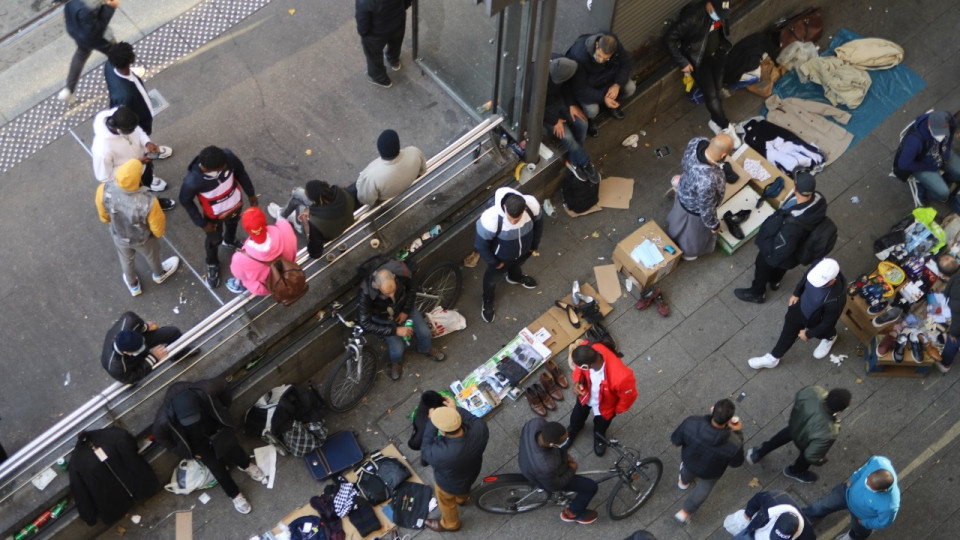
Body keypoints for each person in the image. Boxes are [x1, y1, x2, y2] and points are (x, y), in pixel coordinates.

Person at [152, 378, 267, 514]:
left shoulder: (205, 390)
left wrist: (224, 408)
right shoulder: (164, 419)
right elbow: (160, 437)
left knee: (234, 449)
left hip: (216, 428)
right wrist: (184, 452)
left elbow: (224, 386)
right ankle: (235, 495)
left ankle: (246, 465)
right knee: (217, 469)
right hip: (197, 443)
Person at [734, 172, 828, 303]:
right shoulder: (819, 199)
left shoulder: (793, 223)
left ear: (795, 189)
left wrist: (768, 253)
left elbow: (782, 249)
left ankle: (757, 293)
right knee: (782, 266)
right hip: (796, 250)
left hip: (780, 249)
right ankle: (775, 281)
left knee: (763, 265)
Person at [95, 158, 179, 296]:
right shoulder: (148, 200)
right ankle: (159, 274)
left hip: (119, 236)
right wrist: (156, 234)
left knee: (126, 260)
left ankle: (133, 285)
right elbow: (158, 227)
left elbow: (103, 215)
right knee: (153, 257)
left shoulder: (103, 189)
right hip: (143, 239)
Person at [179, 146, 258, 289]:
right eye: (224, 166)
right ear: (210, 169)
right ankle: (212, 263)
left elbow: (241, 173)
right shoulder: (193, 181)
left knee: (233, 223)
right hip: (213, 219)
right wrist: (202, 223)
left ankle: (229, 240)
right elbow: (185, 201)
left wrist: (251, 194)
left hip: (235, 206)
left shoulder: (227, 157)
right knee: (213, 240)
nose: (227, 165)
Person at [356, 257, 445, 381]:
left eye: (393, 290)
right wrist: (395, 330)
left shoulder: (401, 272)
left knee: (425, 332)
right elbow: (365, 323)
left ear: (394, 277)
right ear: (376, 286)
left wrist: (405, 310)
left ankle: (425, 349)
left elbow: (412, 288)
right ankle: (395, 362)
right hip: (383, 318)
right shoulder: (366, 293)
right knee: (397, 348)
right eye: (387, 293)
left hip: (404, 306)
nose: (392, 295)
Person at [664, 0, 739, 145]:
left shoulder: (721, 12)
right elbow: (669, 39)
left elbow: (724, 30)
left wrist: (724, 48)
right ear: (709, 4)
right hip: (699, 61)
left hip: (718, 54)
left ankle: (715, 121)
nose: (720, 17)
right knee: (711, 96)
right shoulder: (693, 17)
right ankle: (726, 127)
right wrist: (683, 62)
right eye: (717, 13)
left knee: (717, 90)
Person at [747, 258, 845, 369]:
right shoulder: (818, 267)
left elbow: (828, 323)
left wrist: (808, 334)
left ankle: (831, 337)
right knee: (788, 330)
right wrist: (797, 293)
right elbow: (805, 278)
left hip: (817, 319)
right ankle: (773, 358)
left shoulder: (836, 300)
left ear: (832, 280)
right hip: (800, 306)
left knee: (824, 332)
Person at [745, 385, 852, 484]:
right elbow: (811, 456)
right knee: (804, 460)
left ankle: (759, 453)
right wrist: (821, 460)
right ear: (841, 410)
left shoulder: (813, 391)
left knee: (778, 439)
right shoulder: (829, 431)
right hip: (805, 443)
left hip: (794, 425)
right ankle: (795, 472)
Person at [474, 187, 544, 323]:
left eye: (517, 219)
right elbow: (480, 245)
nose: (513, 222)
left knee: (517, 265)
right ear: (505, 207)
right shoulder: (490, 219)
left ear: (524, 209)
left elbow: (539, 226)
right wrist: (494, 262)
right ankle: (487, 300)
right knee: (491, 280)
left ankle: (515, 277)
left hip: (523, 251)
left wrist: (533, 246)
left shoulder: (532, 206)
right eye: (510, 218)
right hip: (500, 259)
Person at [670, 398, 744, 524]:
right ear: (729, 421)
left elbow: (676, 439)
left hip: (689, 459)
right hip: (711, 471)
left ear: (712, 410)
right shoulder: (734, 443)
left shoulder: (691, 422)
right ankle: (685, 512)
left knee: (687, 469)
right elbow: (736, 462)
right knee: (704, 487)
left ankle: (683, 482)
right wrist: (738, 432)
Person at [421, 403, 490, 532]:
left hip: (448, 483)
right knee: (464, 489)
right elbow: (473, 419)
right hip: (472, 473)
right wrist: (455, 409)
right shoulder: (481, 429)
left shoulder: (439, 453)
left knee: (446, 501)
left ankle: (451, 524)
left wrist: (431, 421)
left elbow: (425, 449)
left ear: (442, 431)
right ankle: (462, 499)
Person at [91, 105, 175, 210]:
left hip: (144, 167)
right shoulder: (102, 149)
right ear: (119, 130)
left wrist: (147, 142)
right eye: (131, 130)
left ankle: (152, 197)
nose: (135, 130)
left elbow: (138, 131)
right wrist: (136, 164)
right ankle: (152, 207)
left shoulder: (123, 118)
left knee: (147, 185)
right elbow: (104, 176)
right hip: (131, 179)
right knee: (141, 197)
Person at [517, 419, 598, 525]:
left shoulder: (534, 423)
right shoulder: (547, 466)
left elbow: (560, 447)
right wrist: (572, 469)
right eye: (564, 440)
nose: (567, 440)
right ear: (551, 444)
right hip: (540, 474)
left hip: (526, 457)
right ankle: (572, 513)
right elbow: (555, 485)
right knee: (590, 487)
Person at [667, 133, 734, 260]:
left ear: (712, 140)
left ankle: (672, 233)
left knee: (677, 219)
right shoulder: (708, 180)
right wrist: (714, 225)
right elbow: (706, 208)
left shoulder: (696, 142)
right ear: (724, 155)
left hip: (683, 190)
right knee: (692, 235)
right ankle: (688, 252)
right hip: (694, 210)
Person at [803, 455, 900, 540]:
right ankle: (807, 516)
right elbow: (864, 468)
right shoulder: (878, 462)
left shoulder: (890, 505)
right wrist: (853, 479)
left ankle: (852, 537)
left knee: (860, 532)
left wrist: (865, 523)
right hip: (847, 493)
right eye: (867, 479)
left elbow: (883, 522)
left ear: (883, 490)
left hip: (861, 516)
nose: (865, 484)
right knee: (823, 504)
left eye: (870, 487)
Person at [567, 341, 637, 456]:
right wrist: (577, 382)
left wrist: (617, 409)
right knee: (577, 415)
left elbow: (629, 396)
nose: (577, 367)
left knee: (602, 423)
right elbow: (578, 371)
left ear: (586, 366)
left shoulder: (622, 377)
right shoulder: (588, 347)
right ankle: (574, 428)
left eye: (579, 365)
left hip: (606, 405)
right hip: (585, 395)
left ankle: (599, 436)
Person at [104, 42, 172, 157]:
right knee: (139, 140)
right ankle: (148, 153)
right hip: (139, 119)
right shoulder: (127, 95)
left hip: (132, 111)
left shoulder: (109, 65)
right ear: (130, 60)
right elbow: (130, 125)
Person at [564, 32, 635, 137]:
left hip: (607, 80)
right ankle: (591, 119)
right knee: (592, 110)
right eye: (599, 56)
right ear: (597, 45)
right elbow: (581, 89)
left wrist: (617, 84)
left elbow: (626, 63)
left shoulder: (613, 43)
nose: (601, 60)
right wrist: (604, 98)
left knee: (630, 88)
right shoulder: (578, 56)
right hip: (590, 86)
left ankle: (609, 105)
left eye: (606, 58)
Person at [545, 57, 600, 184]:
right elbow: (534, 107)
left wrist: (571, 104)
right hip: (546, 111)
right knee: (567, 136)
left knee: (583, 123)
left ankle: (573, 160)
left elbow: (566, 86)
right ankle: (585, 162)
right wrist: (554, 121)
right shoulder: (536, 81)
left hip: (561, 101)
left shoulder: (562, 66)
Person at [268, 180, 356, 258]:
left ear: (315, 201)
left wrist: (306, 224)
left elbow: (315, 253)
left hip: (321, 230)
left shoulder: (314, 224)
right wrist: (310, 209)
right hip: (340, 220)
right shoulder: (341, 192)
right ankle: (287, 208)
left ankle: (283, 215)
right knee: (298, 193)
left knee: (296, 202)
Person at [226, 207, 298, 295]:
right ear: (265, 221)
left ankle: (239, 285)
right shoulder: (284, 227)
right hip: (290, 272)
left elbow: (238, 275)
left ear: (247, 230)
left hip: (267, 287)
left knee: (244, 279)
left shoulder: (239, 258)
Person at [893, 110, 958, 208]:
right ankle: (924, 192)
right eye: (938, 133)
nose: (941, 136)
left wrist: (946, 152)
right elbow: (903, 164)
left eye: (943, 133)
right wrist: (930, 166)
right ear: (929, 125)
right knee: (943, 193)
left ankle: (941, 181)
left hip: (939, 153)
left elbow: (950, 137)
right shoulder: (914, 141)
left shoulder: (950, 121)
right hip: (922, 163)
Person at [101, 311, 183, 385]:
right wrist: (153, 358)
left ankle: (180, 354)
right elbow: (132, 377)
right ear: (126, 352)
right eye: (139, 349)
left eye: (142, 344)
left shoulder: (130, 319)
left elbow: (141, 325)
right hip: (130, 364)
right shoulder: (116, 367)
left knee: (173, 333)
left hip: (139, 339)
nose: (143, 348)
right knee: (133, 383)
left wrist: (146, 327)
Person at [60, 0, 118, 103]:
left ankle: (69, 90)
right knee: (117, 52)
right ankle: (126, 71)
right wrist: (111, 7)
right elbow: (96, 30)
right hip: (97, 38)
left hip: (77, 31)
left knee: (81, 54)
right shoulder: (88, 4)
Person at [354, 129, 426, 207]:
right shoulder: (414, 152)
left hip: (385, 199)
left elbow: (366, 199)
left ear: (380, 149)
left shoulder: (372, 176)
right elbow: (423, 171)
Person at [355, 0, 413, 88]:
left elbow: (362, 21)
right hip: (397, 21)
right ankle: (394, 61)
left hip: (376, 33)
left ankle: (380, 78)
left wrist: (364, 33)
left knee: (373, 55)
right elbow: (407, 2)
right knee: (396, 44)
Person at [725, 490, 812, 540]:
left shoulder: (808, 537)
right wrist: (748, 513)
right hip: (751, 533)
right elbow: (758, 498)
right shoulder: (775, 499)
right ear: (777, 517)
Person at [934, 254, 960, 373]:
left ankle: (945, 364)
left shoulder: (955, 299)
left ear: (942, 275)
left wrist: (953, 334)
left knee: (952, 343)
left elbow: (958, 318)